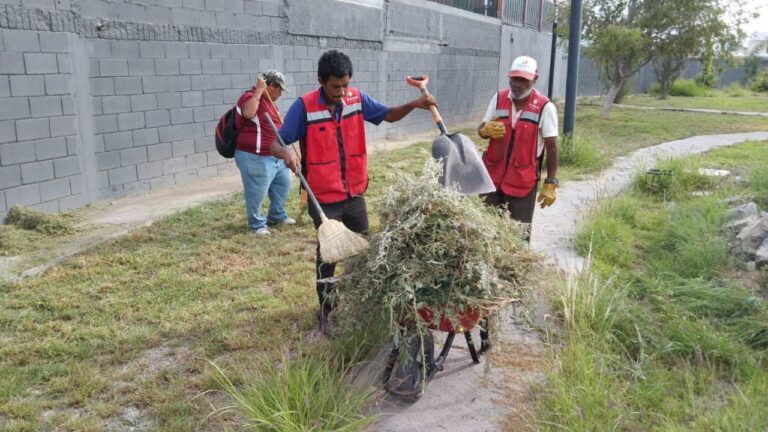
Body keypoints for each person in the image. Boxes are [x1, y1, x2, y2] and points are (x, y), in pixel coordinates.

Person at [270, 50, 437, 336]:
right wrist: (285, 151)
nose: (342, 91)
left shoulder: (356, 99)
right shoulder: (305, 107)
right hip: (323, 198)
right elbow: (276, 142)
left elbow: (389, 115)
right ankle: (326, 311)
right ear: (321, 81)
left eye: (345, 84)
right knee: (329, 257)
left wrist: (415, 103)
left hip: (355, 193)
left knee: (364, 252)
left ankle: (363, 304)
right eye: (336, 86)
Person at [478, 55, 559, 240]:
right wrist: (485, 130)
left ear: (534, 80)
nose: (517, 84)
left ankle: (513, 270)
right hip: (492, 178)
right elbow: (481, 131)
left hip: (523, 180)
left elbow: (552, 147)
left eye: (523, 80)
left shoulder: (545, 107)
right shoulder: (498, 98)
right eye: (515, 79)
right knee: (485, 231)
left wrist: (551, 181)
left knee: (518, 237)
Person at [234, 70, 295, 236]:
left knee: (283, 184)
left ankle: (276, 215)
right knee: (257, 191)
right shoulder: (250, 97)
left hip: (275, 156)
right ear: (270, 86)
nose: (281, 94)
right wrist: (259, 90)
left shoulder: (270, 103)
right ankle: (257, 224)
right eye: (279, 89)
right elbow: (248, 113)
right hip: (255, 156)